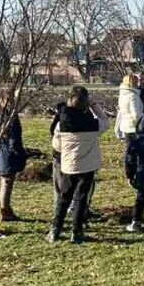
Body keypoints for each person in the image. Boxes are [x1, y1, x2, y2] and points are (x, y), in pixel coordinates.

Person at [49, 86, 110, 244]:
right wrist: (94, 106)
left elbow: (56, 144)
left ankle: (55, 229)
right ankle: (77, 231)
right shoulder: (92, 123)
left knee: (64, 197)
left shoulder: (62, 122)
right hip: (87, 165)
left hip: (69, 164)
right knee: (81, 199)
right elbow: (105, 122)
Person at [0, 89, 27, 223]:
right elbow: (14, 138)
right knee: (7, 183)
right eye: (10, 100)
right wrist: (19, 153)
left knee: (5, 182)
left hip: (1, 152)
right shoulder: (9, 117)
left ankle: (5, 209)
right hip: (8, 154)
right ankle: (5, 211)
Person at [114, 74, 144, 141]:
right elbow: (136, 114)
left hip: (125, 125)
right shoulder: (133, 96)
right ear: (133, 83)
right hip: (133, 127)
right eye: (136, 82)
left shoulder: (123, 94)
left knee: (129, 148)